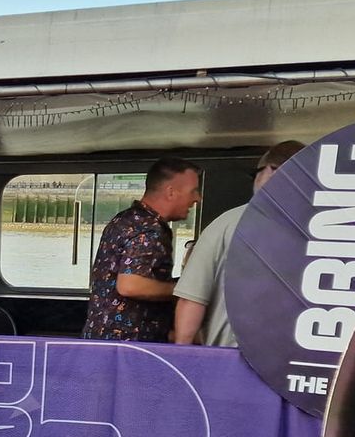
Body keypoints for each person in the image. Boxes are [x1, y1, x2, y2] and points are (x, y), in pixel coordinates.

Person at [175, 140, 305, 347]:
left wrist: (183, 353)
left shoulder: (226, 224)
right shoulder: (324, 230)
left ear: (271, 171)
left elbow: (192, 299)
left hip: (229, 356)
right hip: (295, 359)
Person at [81, 156, 202, 342]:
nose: (198, 198)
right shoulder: (149, 228)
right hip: (128, 348)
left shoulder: (124, 219)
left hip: (101, 340)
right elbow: (131, 285)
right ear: (171, 192)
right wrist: (185, 290)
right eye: (193, 191)